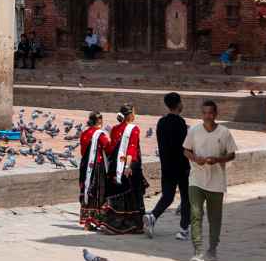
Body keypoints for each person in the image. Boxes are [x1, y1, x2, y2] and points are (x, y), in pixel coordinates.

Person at [183, 99, 237, 261]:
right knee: (195, 213)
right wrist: (195, 158)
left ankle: (212, 249)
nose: (207, 116)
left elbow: (232, 154)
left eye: (210, 113)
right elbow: (186, 150)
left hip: (216, 180)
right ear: (202, 114)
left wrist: (218, 159)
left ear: (215, 114)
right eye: (205, 113)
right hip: (196, 178)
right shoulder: (194, 131)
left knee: (215, 218)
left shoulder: (224, 132)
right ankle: (198, 251)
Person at [144, 92, 191, 240]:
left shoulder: (161, 122)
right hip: (181, 166)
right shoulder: (180, 123)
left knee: (168, 196)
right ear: (178, 105)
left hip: (167, 166)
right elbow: (185, 146)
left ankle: (153, 216)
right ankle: (184, 229)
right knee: (186, 197)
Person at [95, 104, 147, 234]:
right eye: (134, 112)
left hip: (115, 166)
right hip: (129, 165)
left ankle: (113, 223)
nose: (135, 115)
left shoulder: (115, 129)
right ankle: (130, 225)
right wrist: (128, 166)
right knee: (132, 195)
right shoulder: (134, 129)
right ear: (130, 115)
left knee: (119, 195)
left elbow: (111, 149)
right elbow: (132, 148)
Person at [78, 111, 112, 230]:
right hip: (97, 167)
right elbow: (108, 148)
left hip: (85, 166)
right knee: (98, 193)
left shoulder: (84, 133)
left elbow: (82, 151)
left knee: (87, 191)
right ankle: (99, 221)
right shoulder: (100, 134)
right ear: (99, 121)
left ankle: (87, 222)